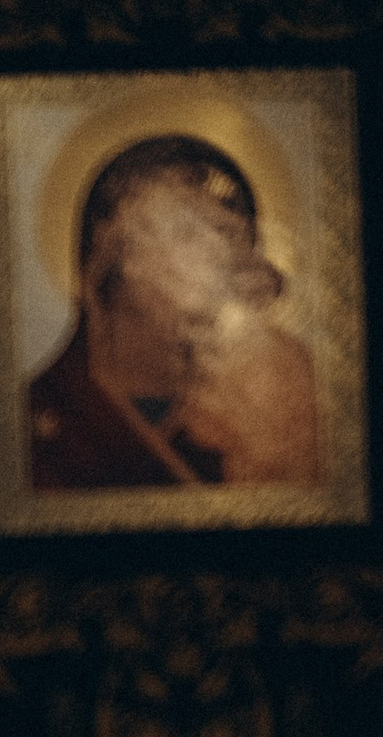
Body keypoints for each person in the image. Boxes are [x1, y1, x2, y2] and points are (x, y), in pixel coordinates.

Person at [27, 132, 320, 493]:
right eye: (187, 232)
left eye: (234, 237)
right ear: (109, 259)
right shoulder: (32, 424)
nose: (224, 259)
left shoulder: (261, 418)